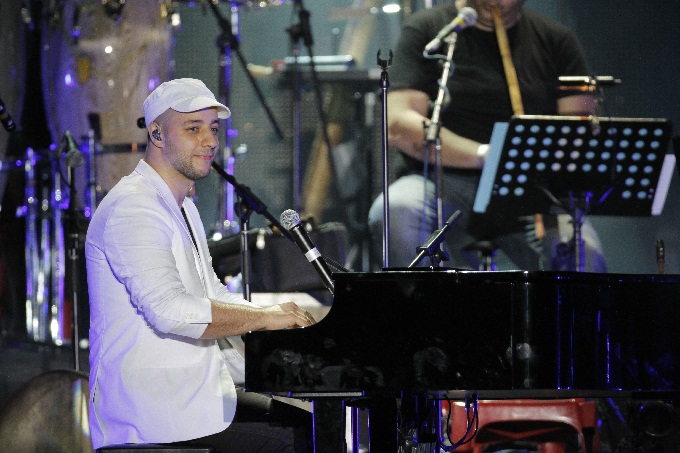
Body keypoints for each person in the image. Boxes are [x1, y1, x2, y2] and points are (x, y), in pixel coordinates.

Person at [85, 78, 314, 452]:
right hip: (152, 414)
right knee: (300, 441)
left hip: (188, 398)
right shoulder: (133, 208)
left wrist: (279, 321)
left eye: (213, 129)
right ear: (156, 134)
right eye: (193, 129)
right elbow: (171, 312)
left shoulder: (183, 207)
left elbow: (212, 295)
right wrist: (264, 318)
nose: (210, 141)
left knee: (314, 427)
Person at [368, 0, 608, 272]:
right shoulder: (429, 31)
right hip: (443, 179)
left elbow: (578, 128)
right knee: (396, 210)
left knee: (583, 253)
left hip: (530, 188)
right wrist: (488, 156)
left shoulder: (555, 38)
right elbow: (399, 124)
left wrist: (532, 163)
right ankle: (429, 298)